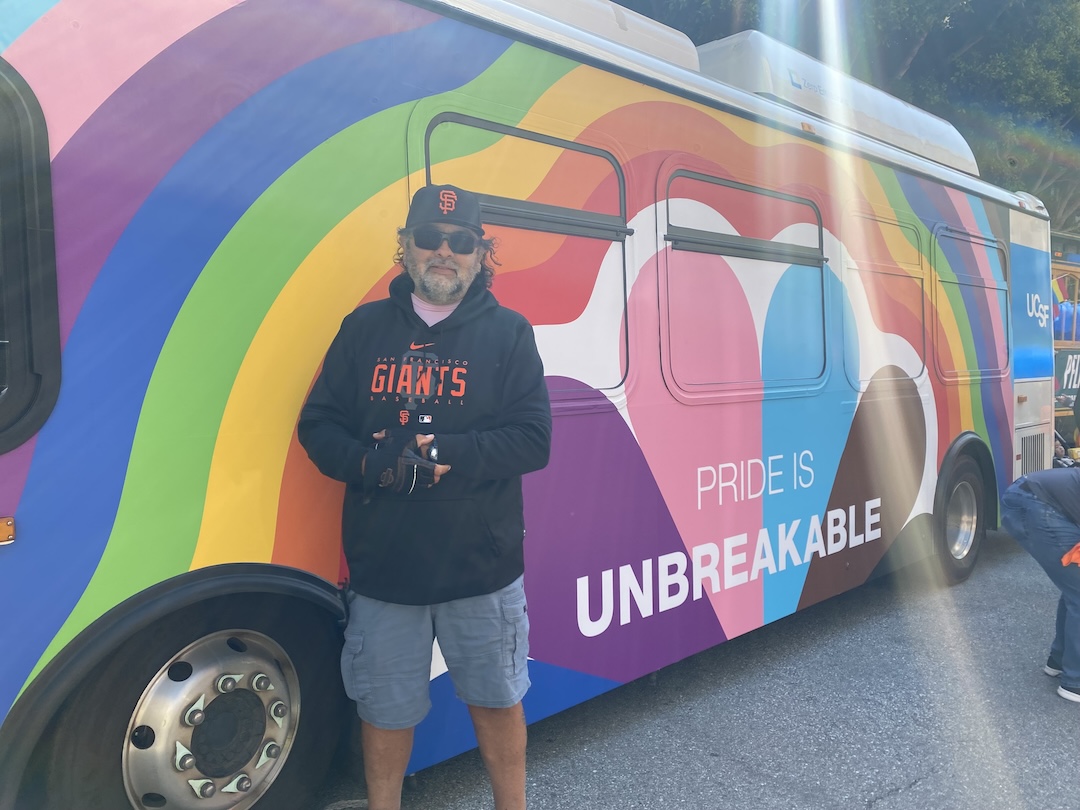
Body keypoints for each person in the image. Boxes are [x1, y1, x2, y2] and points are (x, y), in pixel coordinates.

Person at [298, 184, 552, 810]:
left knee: (497, 700)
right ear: (406, 248)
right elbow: (318, 426)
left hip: (482, 569)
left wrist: (442, 451)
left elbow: (533, 441)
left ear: (479, 254)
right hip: (385, 569)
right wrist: (373, 463)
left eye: (461, 242)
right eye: (429, 239)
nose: (445, 252)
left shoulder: (509, 333)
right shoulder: (363, 329)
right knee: (386, 710)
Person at [1000, 468, 1080, 702]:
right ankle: (1074, 681)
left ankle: (1059, 660)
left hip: (1033, 498)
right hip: (1037, 504)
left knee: (1074, 587)